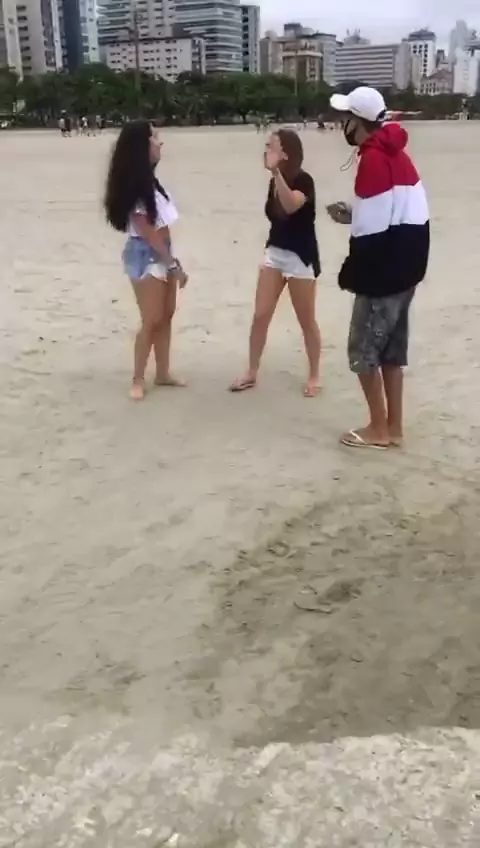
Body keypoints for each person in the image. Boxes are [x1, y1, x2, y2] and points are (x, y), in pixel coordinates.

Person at [328, 86, 430, 449]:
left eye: (346, 118)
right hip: (408, 268)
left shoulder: (372, 159)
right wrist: (354, 214)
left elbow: (370, 238)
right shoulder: (396, 153)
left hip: (384, 273)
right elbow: (398, 212)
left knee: (362, 352)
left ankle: (378, 428)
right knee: (391, 352)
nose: (342, 124)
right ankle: (394, 426)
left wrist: (352, 274)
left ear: (358, 122)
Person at [230, 128, 321, 397]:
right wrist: (275, 175)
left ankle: (314, 375)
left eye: (271, 146)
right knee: (260, 314)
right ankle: (251, 371)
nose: (266, 150)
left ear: (286, 153)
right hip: (275, 252)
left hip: (300, 257)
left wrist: (275, 174)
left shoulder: (304, 180)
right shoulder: (274, 181)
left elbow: (292, 205)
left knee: (306, 320)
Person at [104, 121, 188, 400]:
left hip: (163, 251)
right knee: (151, 318)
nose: (160, 142)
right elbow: (148, 233)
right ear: (142, 146)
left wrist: (172, 261)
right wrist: (173, 264)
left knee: (166, 315)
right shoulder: (137, 189)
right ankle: (138, 379)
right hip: (146, 254)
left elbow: (161, 231)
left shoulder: (151, 182)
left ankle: (162, 373)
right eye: (154, 137)